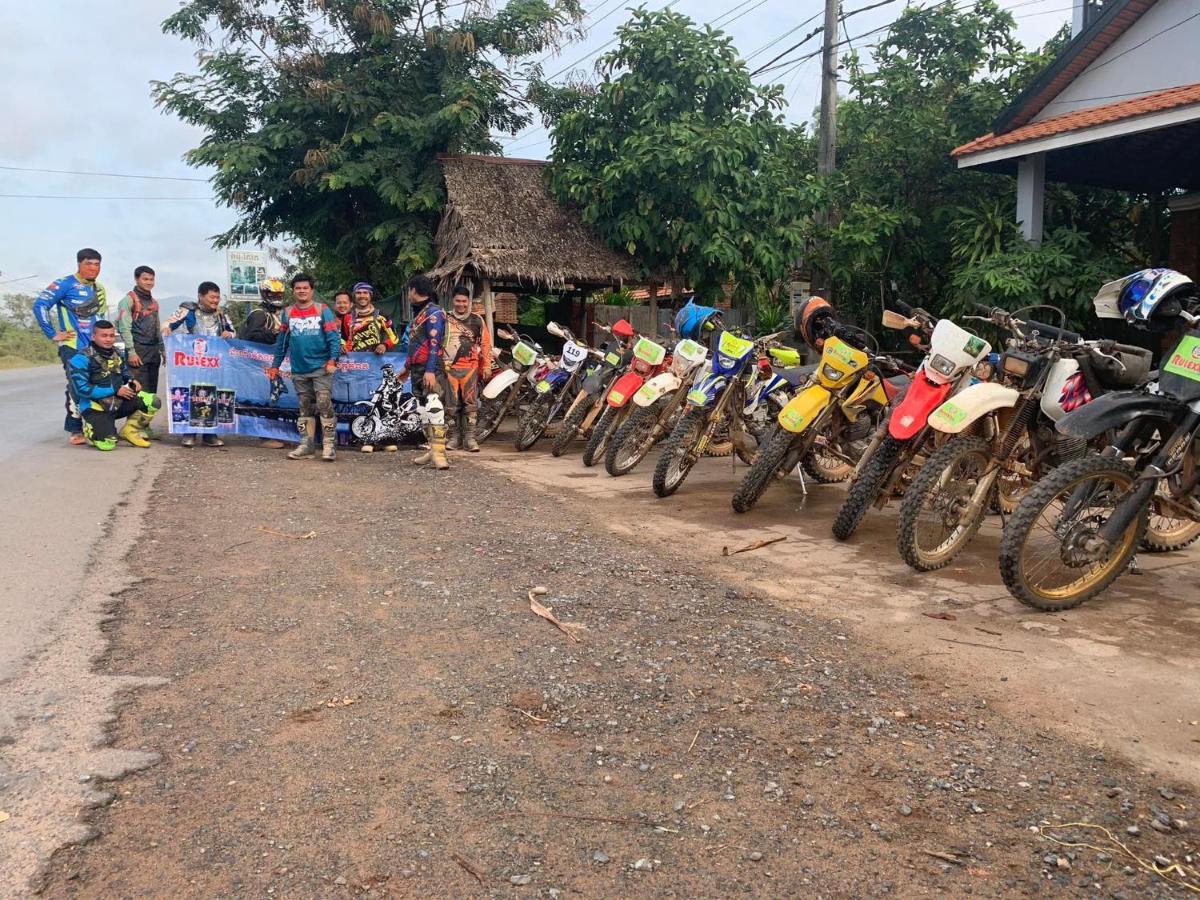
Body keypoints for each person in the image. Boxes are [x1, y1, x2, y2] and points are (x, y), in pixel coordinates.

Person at [266, 273, 342, 461]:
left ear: (312, 290)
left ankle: (329, 446)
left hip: (322, 367)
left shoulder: (322, 309)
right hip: (299, 369)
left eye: (305, 288)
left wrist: (333, 360)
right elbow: (282, 342)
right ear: (293, 291)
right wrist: (275, 366)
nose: (302, 291)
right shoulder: (288, 312)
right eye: (298, 288)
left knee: (324, 403)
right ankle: (306, 446)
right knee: (304, 407)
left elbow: (333, 337)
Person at [33, 248, 106, 444]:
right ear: (79, 264)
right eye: (88, 264)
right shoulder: (65, 283)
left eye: (97, 264)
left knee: (96, 386)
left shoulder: (99, 289)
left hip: (94, 348)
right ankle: (76, 430)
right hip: (72, 347)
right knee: (76, 386)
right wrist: (53, 334)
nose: (93, 268)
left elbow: (101, 318)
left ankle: (94, 426)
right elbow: (40, 305)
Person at [67, 320, 160, 451]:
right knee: (107, 444)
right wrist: (115, 390)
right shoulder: (80, 359)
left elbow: (124, 373)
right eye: (104, 336)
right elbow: (82, 390)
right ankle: (90, 430)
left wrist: (132, 380)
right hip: (95, 407)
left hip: (116, 402)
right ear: (94, 336)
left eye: (111, 336)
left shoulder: (117, 354)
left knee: (152, 401)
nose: (109, 339)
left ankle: (130, 431)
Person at [163, 282, 236, 447]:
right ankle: (189, 433)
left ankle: (210, 435)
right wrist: (167, 330)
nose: (215, 300)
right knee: (192, 394)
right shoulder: (187, 311)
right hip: (192, 363)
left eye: (217, 297)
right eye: (212, 297)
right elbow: (167, 323)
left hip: (214, 363)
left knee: (213, 396)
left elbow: (233, 332)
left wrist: (229, 334)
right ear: (200, 296)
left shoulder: (222, 315)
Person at [396, 274, 448, 469]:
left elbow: (435, 344)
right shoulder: (420, 313)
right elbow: (416, 345)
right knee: (423, 410)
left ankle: (440, 454)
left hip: (430, 368)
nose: (408, 294)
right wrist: (407, 368)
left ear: (414, 291)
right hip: (418, 368)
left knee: (434, 405)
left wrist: (430, 370)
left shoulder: (434, 313)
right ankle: (432, 450)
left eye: (409, 290)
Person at [238, 278, 290, 449]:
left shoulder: (279, 315)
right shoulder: (259, 314)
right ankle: (264, 436)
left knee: (275, 397)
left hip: (275, 364)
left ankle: (274, 432)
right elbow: (253, 336)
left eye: (279, 294)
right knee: (263, 398)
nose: (276, 297)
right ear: (265, 294)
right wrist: (277, 337)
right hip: (258, 364)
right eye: (273, 294)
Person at [114, 266, 164, 441]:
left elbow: (157, 328)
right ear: (137, 279)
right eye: (145, 279)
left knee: (150, 390)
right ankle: (131, 428)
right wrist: (131, 351)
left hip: (153, 352)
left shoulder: (154, 303)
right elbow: (124, 328)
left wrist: (162, 349)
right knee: (138, 392)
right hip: (137, 351)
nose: (149, 282)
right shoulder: (129, 300)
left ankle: (144, 426)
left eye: (151, 279)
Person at [443, 284, 493, 452]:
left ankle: (470, 438)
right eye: (458, 301)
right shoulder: (444, 318)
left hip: (470, 368)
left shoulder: (477, 320)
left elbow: (485, 344)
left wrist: (486, 365)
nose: (461, 304)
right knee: (451, 405)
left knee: (470, 404)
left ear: (469, 301)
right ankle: (454, 437)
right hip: (448, 369)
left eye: (464, 301)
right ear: (453, 301)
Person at [345, 282, 398, 354]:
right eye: (358, 293)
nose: (362, 296)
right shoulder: (347, 317)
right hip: (354, 361)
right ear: (354, 295)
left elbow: (394, 336)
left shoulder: (381, 316)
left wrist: (384, 345)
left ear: (370, 295)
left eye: (365, 293)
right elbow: (342, 338)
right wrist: (342, 346)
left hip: (377, 360)